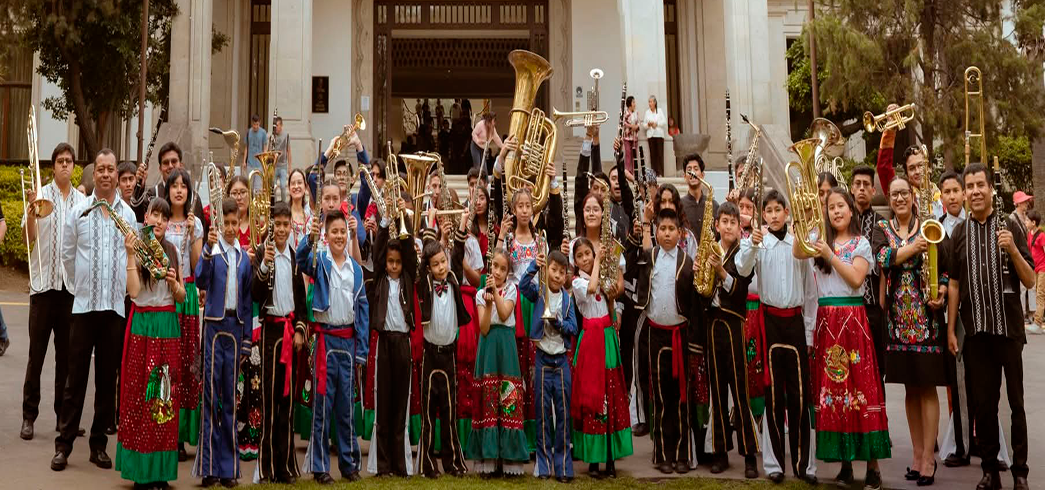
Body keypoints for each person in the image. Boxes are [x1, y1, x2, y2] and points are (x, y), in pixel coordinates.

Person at [794, 187, 889, 490]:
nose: (836, 211)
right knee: (835, 393)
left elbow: (856, 278)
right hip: (827, 321)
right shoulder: (819, 239)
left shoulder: (860, 243)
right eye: (830, 207)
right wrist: (805, 219)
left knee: (861, 390)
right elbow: (797, 251)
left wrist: (829, 255)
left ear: (851, 211)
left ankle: (872, 468)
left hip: (852, 322)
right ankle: (846, 464)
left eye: (841, 206)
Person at [946, 163, 1034, 490]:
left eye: (980, 184)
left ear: (990, 188)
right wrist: (951, 328)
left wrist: (1012, 247)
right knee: (983, 406)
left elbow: (1030, 278)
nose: (975, 191)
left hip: (1008, 332)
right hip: (977, 334)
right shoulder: (959, 233)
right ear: (965, 192)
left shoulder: (1009, 224)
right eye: (969, 186)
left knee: (1016, 403)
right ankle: (989, 471)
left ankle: (1020, 472)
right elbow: (954, 284)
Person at [51, 149, 137, 472]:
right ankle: (64, 445)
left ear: (117, 175)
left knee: (106, 382)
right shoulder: (78, 211)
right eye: (100, 169)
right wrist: (79, 286)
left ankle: (98, 446)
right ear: (93, 174)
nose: (105, 174)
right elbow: (68, 254)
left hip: (114, 309)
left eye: (110, 169)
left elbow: (132, 257)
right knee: (76, 381)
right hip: (84, 308)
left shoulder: (127, 216)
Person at [736, 189, 818, 484]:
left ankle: (804, 464)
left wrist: (809, 332)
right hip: (769, 322)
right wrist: (752, 246)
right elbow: (742, 270)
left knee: (799, 394)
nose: (772, 215)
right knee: (773, 395)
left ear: (786, 213)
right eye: (767, 210)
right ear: (763, 215)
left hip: (795, 323)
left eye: (777, 210)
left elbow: (810, 292)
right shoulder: (758, 243)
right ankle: (774, 464)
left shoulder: (799, 244)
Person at [872, 177, 950, 486]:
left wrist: (942, 289)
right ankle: (917, 456)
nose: (900, 198)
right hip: (896, 322)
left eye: (904, 192)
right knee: (909, 390)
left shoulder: (929, 225)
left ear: (913, 195)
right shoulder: (882, 229)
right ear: (889, 199)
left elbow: (944, 266)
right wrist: (911, 247)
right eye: (895, 194)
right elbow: (883, 258)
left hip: (927, 320)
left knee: (928, 388)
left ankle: (930, 459)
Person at [115, 198, 186, 489]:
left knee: (164, 400)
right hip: (143, 325)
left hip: (167, 326)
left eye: (164, 217)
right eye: (155, 214)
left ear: (168, 223)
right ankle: (141, 473)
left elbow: (181, 297)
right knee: (140, 399)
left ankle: (161, 473)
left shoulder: (172, 251)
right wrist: (131, 255)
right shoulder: (135, 249)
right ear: (146, 217)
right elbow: (133, 292)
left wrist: (174, 284)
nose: (159, 221)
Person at [20, 142, 87, 441]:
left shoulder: (81, 201)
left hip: (69, 289)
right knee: (36, 355)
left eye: (68, 161)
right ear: (52, 167)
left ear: (74, 166)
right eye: (59, 160)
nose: (64, 165)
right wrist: (31, 211)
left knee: (66, 358)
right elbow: (28, 238)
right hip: (43, 287)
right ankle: (28, 416)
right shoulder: (41, 195)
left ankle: (63, 417)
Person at [298, 210, 369, 484]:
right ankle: (320, 467)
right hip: (325, 342)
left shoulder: (357, 270)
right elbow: (302, 260)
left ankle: (350, 465)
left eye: (343, 232)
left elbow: (362, 313)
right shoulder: (320, 260)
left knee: (346, 408)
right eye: (334, 232)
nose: (339, 236)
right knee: (322, 406)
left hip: (348, 344)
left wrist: (361, 351)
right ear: (326, 236)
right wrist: (310, 238)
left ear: (348, 234)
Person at [191, 199, 253, 487]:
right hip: (214, 328)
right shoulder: (213, 254)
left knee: (230, 399)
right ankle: (209, 467)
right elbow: (200, 283)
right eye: (225, 223)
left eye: (233, 223)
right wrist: (205, 250)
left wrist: (247, 340)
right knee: (212, 398)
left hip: (234, 328)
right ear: (220, 223)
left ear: (239, 224)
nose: (229, 228)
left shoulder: (244, 259)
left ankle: (228, 469)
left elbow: (248, 301)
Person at [631, 208, 696, 474]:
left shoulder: (688, 261)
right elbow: (642, 293)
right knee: (659, 397)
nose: (667, 233)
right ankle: (662, 455)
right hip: (656, 335)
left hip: (679, 334)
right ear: (656, 232)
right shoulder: (649, 258)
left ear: (680, 233)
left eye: (672, 229)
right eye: (662, 229)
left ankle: (682, 454)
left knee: (681, 396)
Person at [701, 203, 760, 477]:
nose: (727, 227)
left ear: (740, 228)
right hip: (712, 324)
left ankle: (749, 454)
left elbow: (740, 290)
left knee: (739, 390)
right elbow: (699, 289)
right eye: (723, 221)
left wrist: (722, 273)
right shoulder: (709, 249)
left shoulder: (743, 252)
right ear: (717, 225)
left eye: (733, 222)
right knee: (717, 390)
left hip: (734, 324)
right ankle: (720, 452)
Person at [249, 201, 306, 484]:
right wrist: (264, 264)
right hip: (270, 334)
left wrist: (299, 330)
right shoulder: (263, 253)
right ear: (270, 226)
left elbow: (301, 301)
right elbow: (255, 293)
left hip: (288, 334)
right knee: (270, 400)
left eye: (286, 225)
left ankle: (285, 466)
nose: (282, 229)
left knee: (287, 403)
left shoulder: (294, 258)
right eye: (277, 225)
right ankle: (267, 466)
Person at [413, 207, 472, 478]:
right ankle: (427, 463)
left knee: (449, 412)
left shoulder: (452, 279)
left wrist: (461, 224)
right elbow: (423, 258)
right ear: (428, 266)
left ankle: (452, 462)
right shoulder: (424, 282)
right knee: (428, 413)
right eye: (435, 264)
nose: (441, 267)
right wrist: (429, 220)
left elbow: (457, 254)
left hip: (448, 354)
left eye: (443, 263)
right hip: (429, 354)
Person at [570, 237, 633, 478]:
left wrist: (613, 302)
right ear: (575, 262)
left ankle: (610, 456)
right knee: (592, 396)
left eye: (588, 253)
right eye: (581, 256)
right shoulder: (577, 282)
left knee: (611, 391)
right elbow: (592, 288)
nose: (586, 258)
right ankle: (594, 459)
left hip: (606, 336)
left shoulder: (600, 273)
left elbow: (609, 296)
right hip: (590, 342)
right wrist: (598, 262)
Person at [363, 199, 417, 477]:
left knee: (400, 406)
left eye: (397, 263)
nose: (395, 266)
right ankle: (382, 464)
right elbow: (378, 250)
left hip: (403, 342)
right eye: (391, 262)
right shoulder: (380, 280)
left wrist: (402, 217)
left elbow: (409, 257)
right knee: (383, 403)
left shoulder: (408, 276)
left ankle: (399, 463)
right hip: (384, 343)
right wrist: (385, 222)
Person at [469, 248, 529, 477]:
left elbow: (505, 315)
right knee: (489, 398)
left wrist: (496, 294)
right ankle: (488, 459)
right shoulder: (479, 294)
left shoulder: (512, 289)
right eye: (495, 266)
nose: (498, 271)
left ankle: (510, 459)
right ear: (489, 266)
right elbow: (483, 328)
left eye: (503, 269)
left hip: (506, 345)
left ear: (508, 272)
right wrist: (489, 302)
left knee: (507, 395)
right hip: (488, 347)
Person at [519, 250, 577, 482]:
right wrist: (535, 264)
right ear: (547, 270)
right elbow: (523, 285)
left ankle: (563, 466)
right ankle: (542, 466)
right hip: (543, 359)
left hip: (561, 361)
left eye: (561, 272)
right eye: (553, 270)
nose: (556, 275)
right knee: (542, 414)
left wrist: (559, 323)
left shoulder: (568, 299)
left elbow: (573, 328)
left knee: (563, 414)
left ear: (566, 276)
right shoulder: (539, 292)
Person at [162, 169, 204, 462]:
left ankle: (182, 435)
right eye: (174, 186)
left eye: (183, 186)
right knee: (168, 364)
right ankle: (165, 431)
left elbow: (197, 266)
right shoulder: (160, 222)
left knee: (187, 365)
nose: (179, 190)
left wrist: (191, 236)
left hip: (186, 297)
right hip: (166, 297)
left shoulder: (195, 224)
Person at [851, 166, 887, 385]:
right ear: (852, 189)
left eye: (866, 185)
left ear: (873, 191)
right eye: (858, 184)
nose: (862, 189)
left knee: (876, 369)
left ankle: (879, 418)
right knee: (852, 367)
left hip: (874, 307)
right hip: (849, 305)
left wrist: (882, 305)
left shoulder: (882, 223)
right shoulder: (843, 220)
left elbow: (884, 265)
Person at [1028, 210, 1045, 334]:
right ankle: (1037, 320)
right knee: (1036, 293)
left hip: (1043, 269)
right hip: (1035, 268)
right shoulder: (1030, 234)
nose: (1025, 222)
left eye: (1027, 220)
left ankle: (1038, 323)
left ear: (1033, 222)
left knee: (1040, 295)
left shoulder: (1041, 236)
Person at [288, 168, 313, 249]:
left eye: (299, 183)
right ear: (289, 188)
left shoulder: (310, 216)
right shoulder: (284, 215)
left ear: (305, 187)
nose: (296, 186)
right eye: (293, 183)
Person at [643, 95, 667, 176]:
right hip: (651, 136)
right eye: (649, 102)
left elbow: (664, 122)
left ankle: (661, 172)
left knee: (660, 154)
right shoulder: (647, 112)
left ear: (655, 102)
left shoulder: (659, 111)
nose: (650, 103)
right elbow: (644, 125)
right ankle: (654, 173)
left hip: (659, 135)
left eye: (651, 101)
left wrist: (656, 124)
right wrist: (649, 125)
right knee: (653, 155)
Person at [269, 116, 291, 202]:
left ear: (281, 125)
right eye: (274, 125)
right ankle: (273, 205)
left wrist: (289, 167)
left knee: (282, 186)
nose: (276, 127)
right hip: (274, 166)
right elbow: (268, 150)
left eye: (277, 125)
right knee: (273, 187)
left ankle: (284, 203)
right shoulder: (272, 136)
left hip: (283, 165)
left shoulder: (286, 136)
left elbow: (289, 151)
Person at [243, 114, 268, 187]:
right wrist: (244, 161)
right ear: (252, 123)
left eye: (257, 124)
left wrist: (264, 161)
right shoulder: (248, 132)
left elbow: (265, 147)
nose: (255, 126)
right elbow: (246, 147)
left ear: (259, 123)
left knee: (258, 186)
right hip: (250, 163)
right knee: (249, 185)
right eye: (254, 124)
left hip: (259, 164)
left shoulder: (263, 132)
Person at [622, 96, 639, 174]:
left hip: (634, 136)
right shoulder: (625, 112)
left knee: (634, 154)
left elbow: (639, 122)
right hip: (627, 137)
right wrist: (631, 126)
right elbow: (623, 122)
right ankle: (627, 171)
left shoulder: (636, 112)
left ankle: (633, 171)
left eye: (634, 102)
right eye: (633, 102)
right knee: (628, 154)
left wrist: (636, 126)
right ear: (629, 104)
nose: (634, 104)